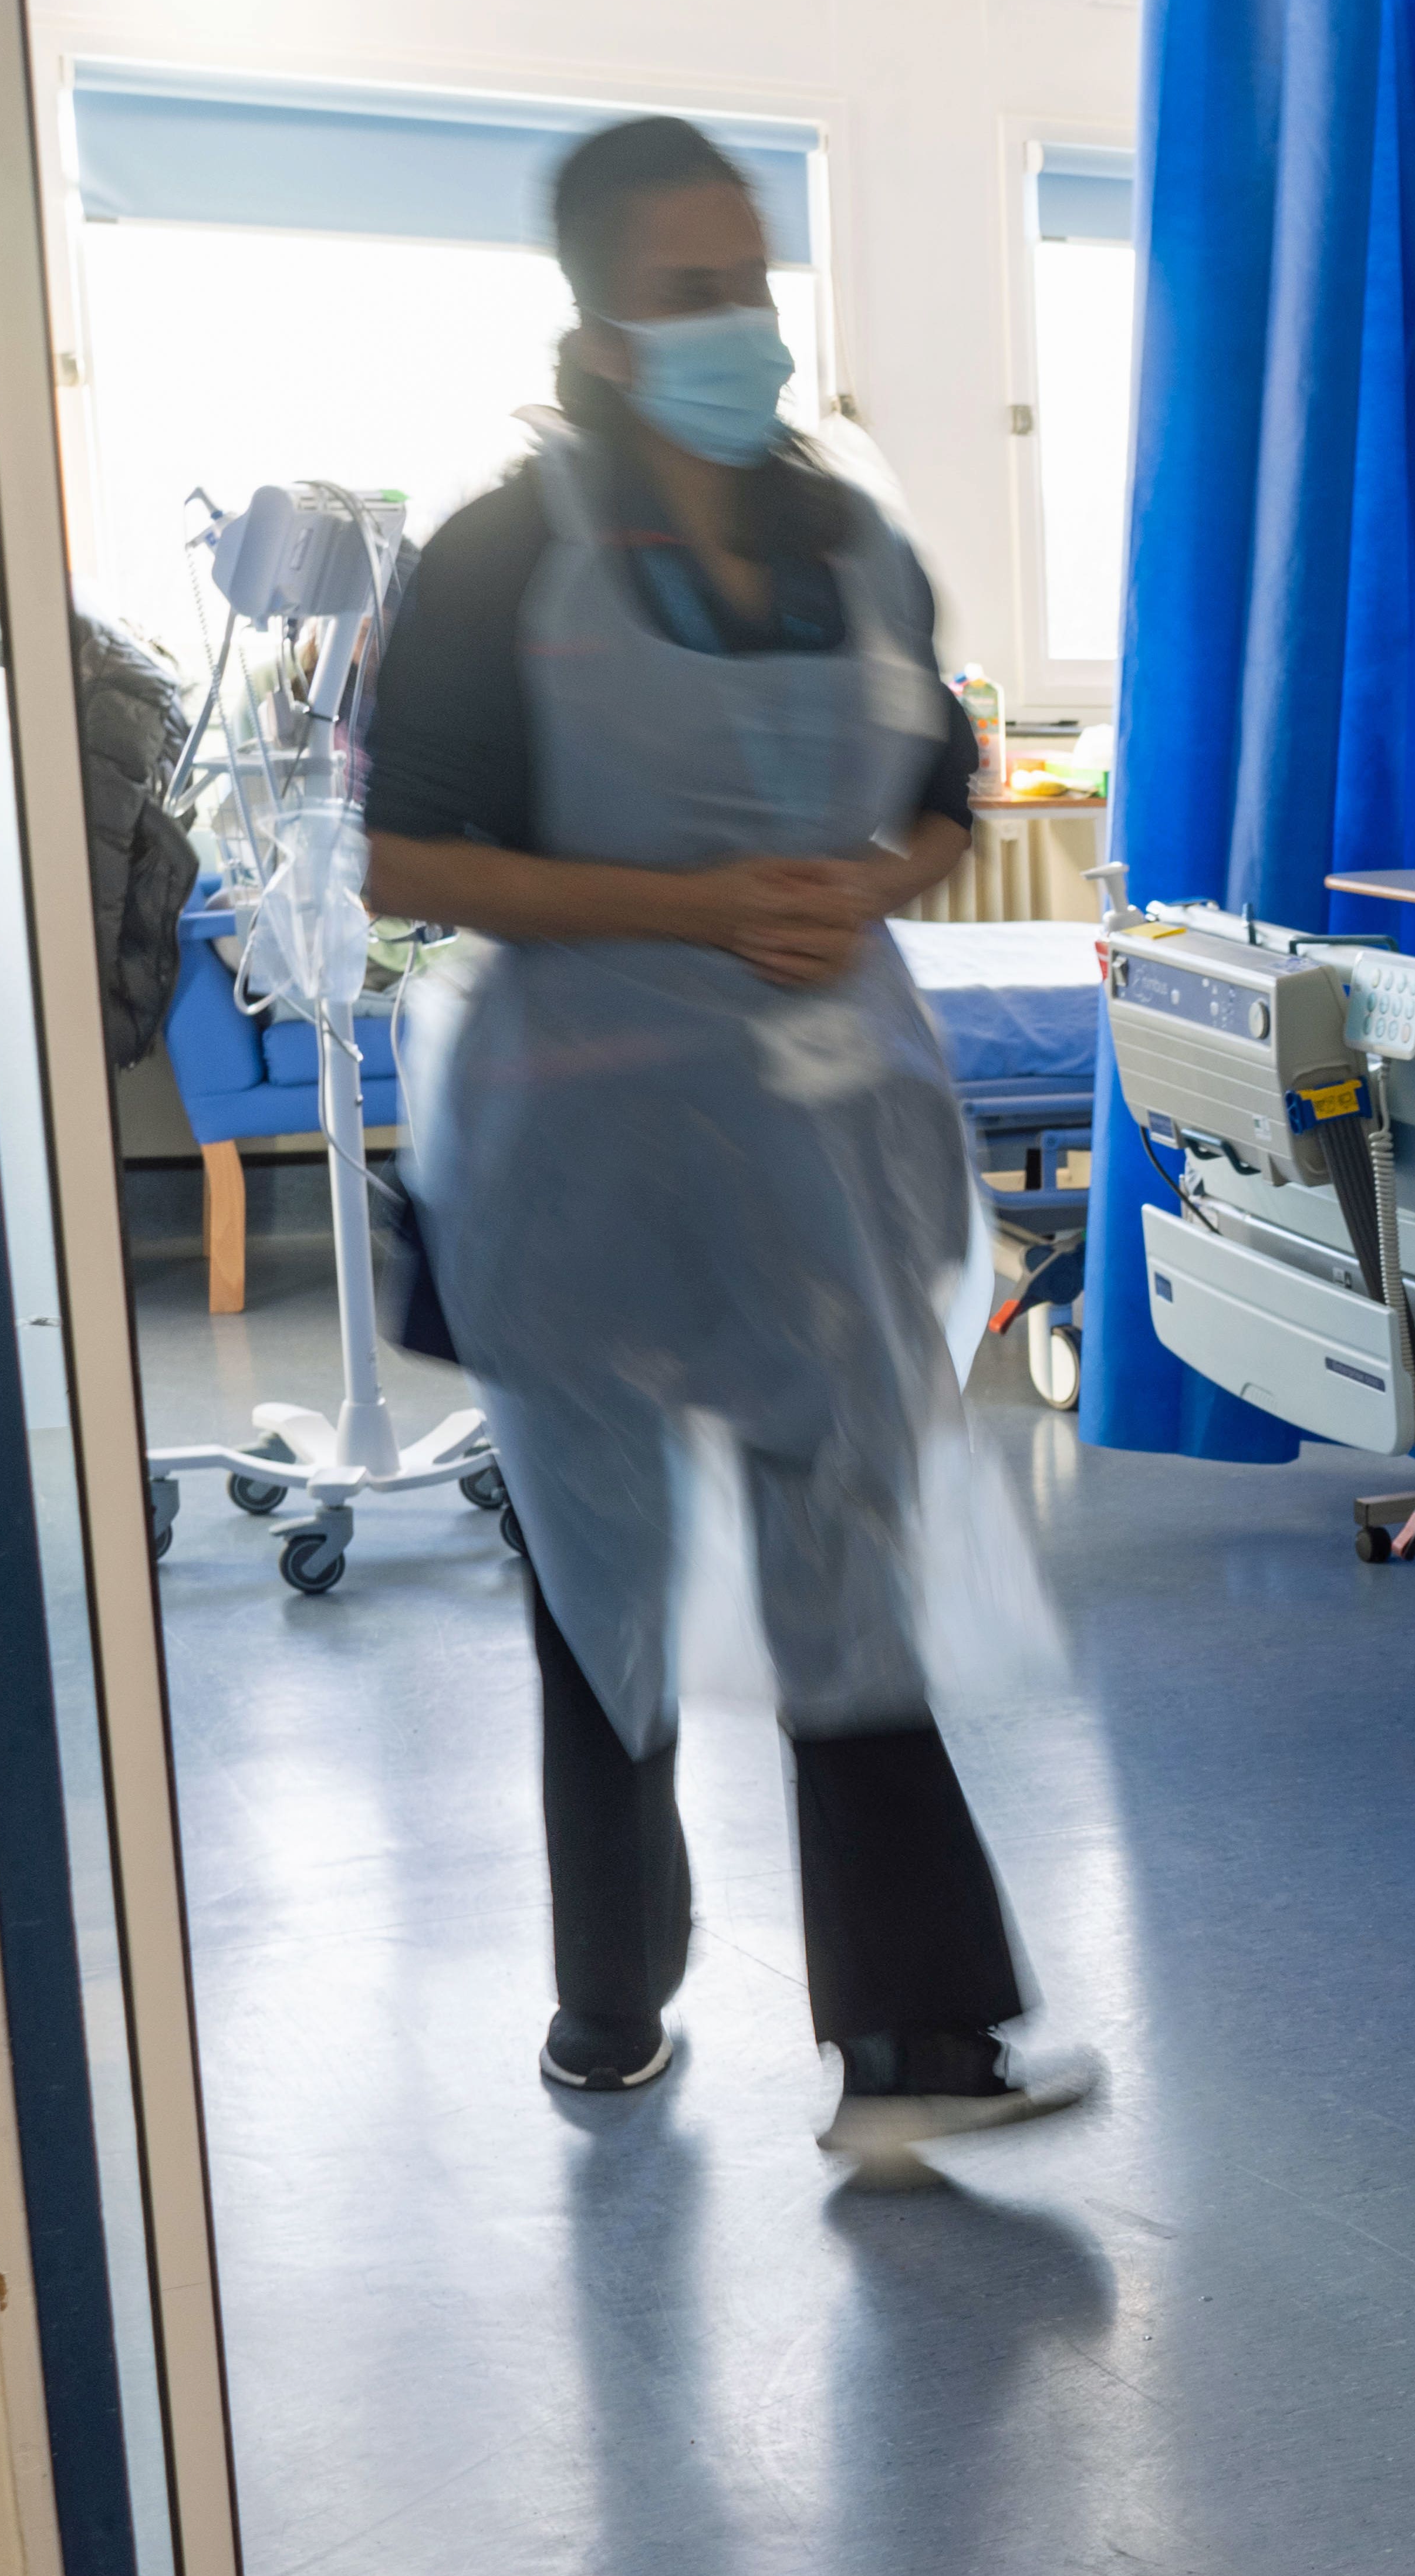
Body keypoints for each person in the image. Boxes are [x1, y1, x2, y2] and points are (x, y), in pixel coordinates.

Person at [362, 116, 1089, 2175]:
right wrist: (693, 909)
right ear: (596, 324)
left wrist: (881, 874)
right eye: (687, 293)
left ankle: (919, 2047)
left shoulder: (855, 543)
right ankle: (615, 1997)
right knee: (606, 1586)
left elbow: (948, 784)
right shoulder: (501, 555)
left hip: (818, 1147)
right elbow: (406, 851)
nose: (734, 329)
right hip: (581, 1151)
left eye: (750, 284)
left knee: (848, 1570)